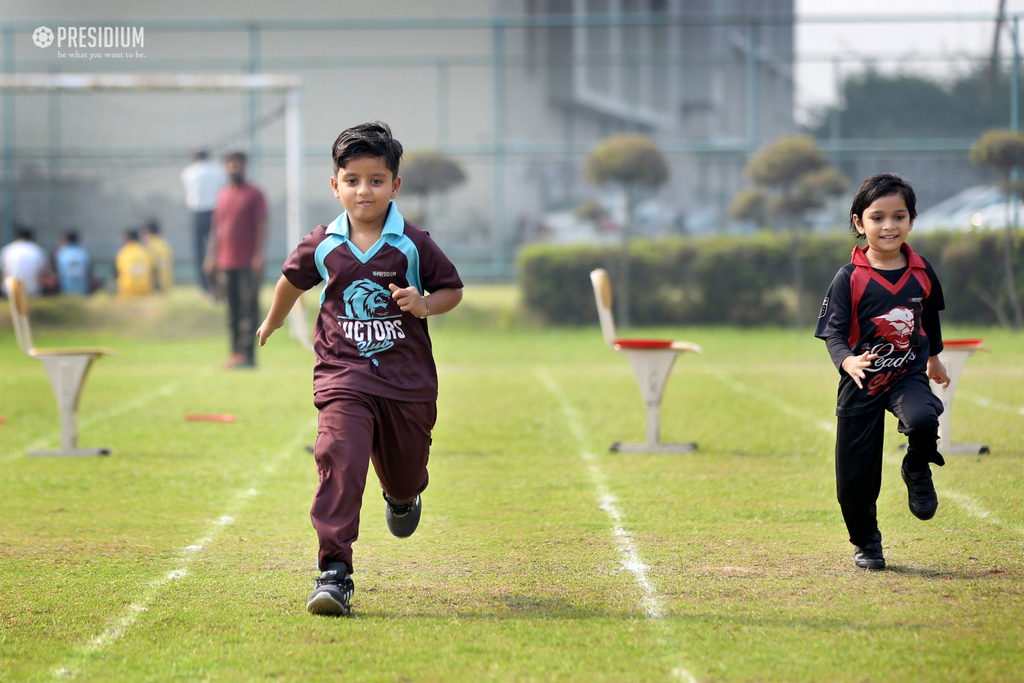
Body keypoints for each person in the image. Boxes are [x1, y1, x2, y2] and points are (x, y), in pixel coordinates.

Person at [256, 121, 463, 616]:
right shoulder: (324, 242)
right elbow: (292, 279)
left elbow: (452, 290)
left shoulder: (413, 244)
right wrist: (273, 320)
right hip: (342, 374)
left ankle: (403, 494)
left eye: (375, 180)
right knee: (338, 458)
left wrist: (424, 304)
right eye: (352, 179)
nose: (363, 190)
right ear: (335, 185)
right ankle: (334, 573)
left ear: (395, 185)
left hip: (406, 383)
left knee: (405, 472)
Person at [815, 173, 951, 571]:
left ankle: (917, 465)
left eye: (898, 216)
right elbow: (833, 333)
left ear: (911, 221)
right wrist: (847, 360)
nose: (888, 225)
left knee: (925, 419)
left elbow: (929, 319)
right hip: (861, 382)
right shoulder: (849, 277)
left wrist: (934, 358)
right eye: (877, 217)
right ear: (859, 223)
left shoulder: (923, 272)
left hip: (907, 374)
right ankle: (867, 544)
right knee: (855, 477)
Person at [205, 151, 267, 369]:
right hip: (225, 262)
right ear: (225, 167)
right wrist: (211, 256)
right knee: (231, 310)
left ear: (244, 166)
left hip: (248, 262)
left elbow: (261, 225)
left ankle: (248, 355)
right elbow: (217, 228)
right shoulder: (222, 195)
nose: (234, 168)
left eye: (238, 164)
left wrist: (259, 255)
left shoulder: (254, 194)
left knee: (248, 309)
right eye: (230, 164)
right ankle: (234, 353)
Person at [181, 148, 227, 293]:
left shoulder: (188, 172)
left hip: (198, 213)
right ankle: (220, 283)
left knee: (199, 252)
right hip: (215, 212)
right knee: (219, 250)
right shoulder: (218, 170)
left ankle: (205, 286)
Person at [1, 227, 51, 297]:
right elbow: (45, 274)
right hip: (34, 292)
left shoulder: (7, 250)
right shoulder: (38, 250)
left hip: (9, 292)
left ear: (16, 236)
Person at [115, 229, 153, 296]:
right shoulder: (145, 252)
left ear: (127, 238)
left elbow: (118, 272)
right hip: (145, 290)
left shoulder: (123, 253)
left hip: (127, 291)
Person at [54, 229, 92, 296]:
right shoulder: (83, 252)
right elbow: (89, 271)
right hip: (82, 291)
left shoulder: (61, 253)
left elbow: (57, 272)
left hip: (66, 290)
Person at [142, 220, 174, 292]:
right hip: (167, 285)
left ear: (148, 232)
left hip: (155, 287)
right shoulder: (165, 245)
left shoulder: (150, 247)